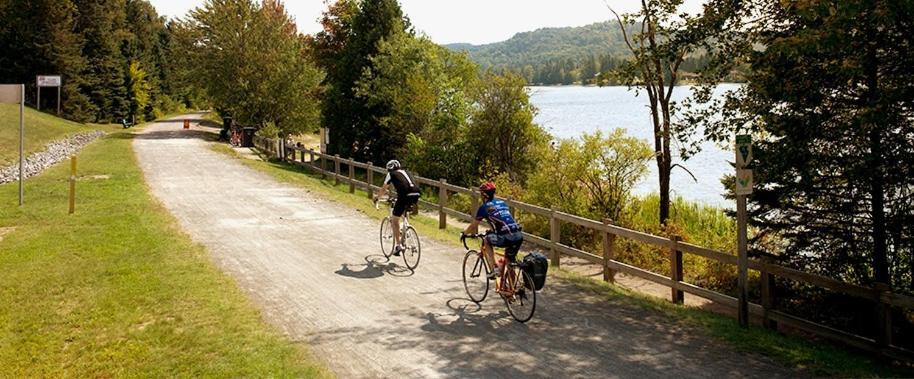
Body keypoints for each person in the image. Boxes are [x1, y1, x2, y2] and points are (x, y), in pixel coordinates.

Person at [462, 181, 523, 279]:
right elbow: (500, 220)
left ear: (484, 195)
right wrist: (493, 231)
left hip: (505, 237)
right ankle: (514, 290)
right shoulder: (502, 203)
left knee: (486, 240)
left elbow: (473, 225)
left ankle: (494, 268)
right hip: (518, 235)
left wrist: (464, 234)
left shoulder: (484, 207)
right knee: (509, 261)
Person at [376, 160, 421, 256]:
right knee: (404, 211)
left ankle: (398, 245)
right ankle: (405, 229)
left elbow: (384, 189)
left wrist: (377, 198)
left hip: (404, 195)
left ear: (389, 168)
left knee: (394, 219)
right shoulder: (406, 172)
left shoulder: (391, 174)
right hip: (416, 194)